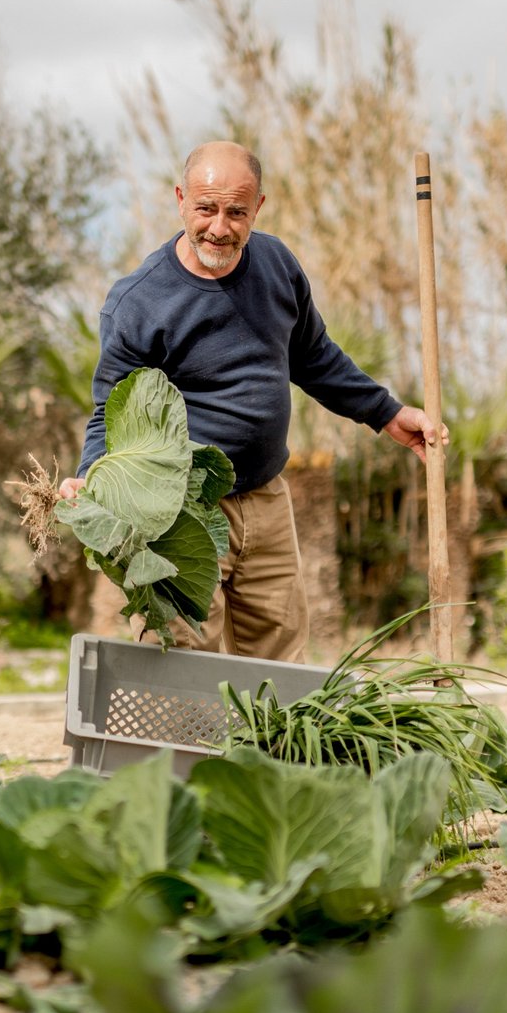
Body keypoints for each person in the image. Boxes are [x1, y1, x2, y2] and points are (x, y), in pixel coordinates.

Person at [60, 140, 446, 661]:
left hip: (267, 499)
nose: (219, 227)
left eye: (236, 212)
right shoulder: (139, 303)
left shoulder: (276, 265)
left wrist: (388, 414)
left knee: (281, 667)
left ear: (258, 206)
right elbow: (111, 410)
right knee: (182, 665)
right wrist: (91, 473)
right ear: (180, 200)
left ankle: (267, 724)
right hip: (181, 513)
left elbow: (313, 356)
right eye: (206, 208)